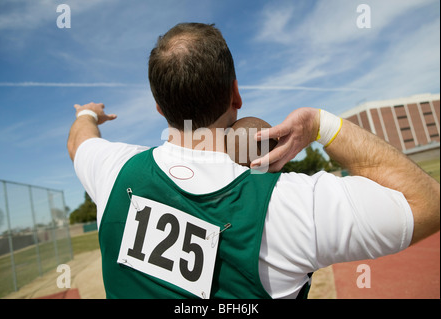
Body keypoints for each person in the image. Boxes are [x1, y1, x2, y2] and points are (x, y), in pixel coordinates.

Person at [68, 23, 440, 299]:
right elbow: (428, 205)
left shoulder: (113, 170)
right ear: (236, 93)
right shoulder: (290, 204)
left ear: (159, 106)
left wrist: (87, 114)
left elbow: (79, 143)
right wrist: (321, 125)